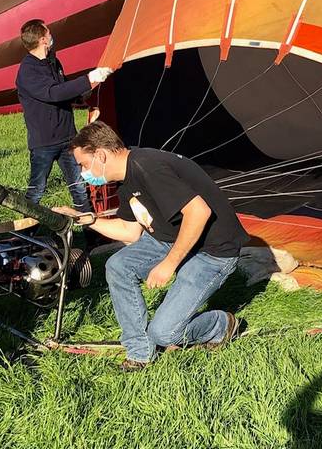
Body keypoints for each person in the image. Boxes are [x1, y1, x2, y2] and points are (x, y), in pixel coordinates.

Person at [54, 122, 250, 371]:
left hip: (211, 252)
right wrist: (86, 219)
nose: (83, 173)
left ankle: (221, 325)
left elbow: (199, 212)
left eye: (83, 164)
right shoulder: (125, 179)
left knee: (165, 334)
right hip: (169, 238)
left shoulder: (148, 166)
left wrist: (168, 265)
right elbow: (130, 231)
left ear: (101, 155)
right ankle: (139, 353)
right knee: (118, 266)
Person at [16, 19, 111, 212]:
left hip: (68, 137)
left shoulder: (53, 62)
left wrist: (84, 95)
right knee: (36, 191)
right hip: (44, 143)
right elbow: (53, 93)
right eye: (49, 33)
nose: (52, 37)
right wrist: (88, 79)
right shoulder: (27, 71)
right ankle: (26, 235)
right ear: (43, 39)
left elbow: (64, 88)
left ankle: (89, 231)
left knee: (78, 188)